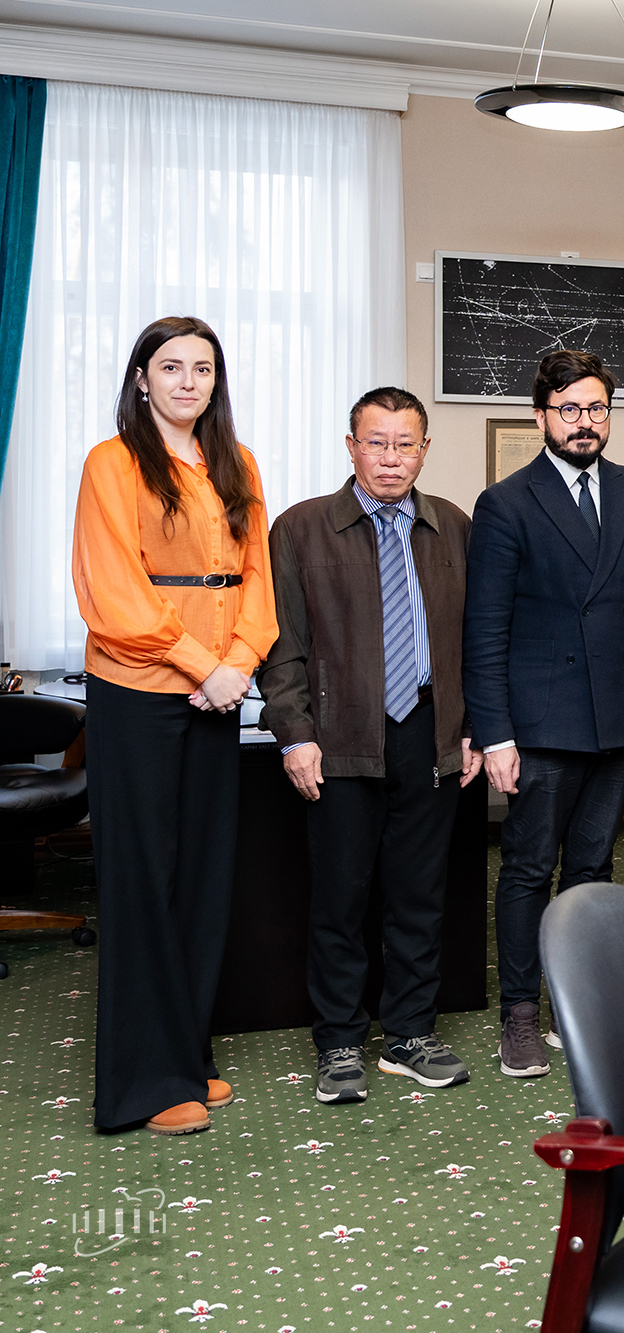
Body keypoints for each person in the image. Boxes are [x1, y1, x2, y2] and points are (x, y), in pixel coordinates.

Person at [71, 315, 278, 1134]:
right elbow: (115, 593)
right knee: (142, 882)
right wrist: (203, 665)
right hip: (140, 689)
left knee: (202, 876)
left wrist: (240, 662)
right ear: (142, 378)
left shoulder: (237, 463)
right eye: (171, 366)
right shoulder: (112, 462)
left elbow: (257, 577)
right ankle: (143, 1083)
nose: (188, 381)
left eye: (203, 368)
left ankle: (186, 1056)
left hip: (217, 689)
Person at [261, 387, 479, 1104]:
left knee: (419, 896)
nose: (391, 457)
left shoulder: (453, 527)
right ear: (351, 447)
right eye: (376, 442)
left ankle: (411, 1034)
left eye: (405, 443)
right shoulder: (301, 529)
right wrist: (295, 735)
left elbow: (476, 641)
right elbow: (282, 649)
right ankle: (339, 1042)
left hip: (429, 732)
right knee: (340, 898)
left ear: (424, 450)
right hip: (340, 736)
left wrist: (472, 728)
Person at [464, 349, 624, 1077]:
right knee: (529, 867)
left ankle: (577, 999)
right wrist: (494, 732)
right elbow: (484, 629)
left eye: (595, 409)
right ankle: (521, 1013)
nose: (584, 422)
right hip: (540, 721)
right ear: (542, 417)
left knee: (593, 863)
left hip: (618, 714)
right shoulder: (506, 503)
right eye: (569, 409)